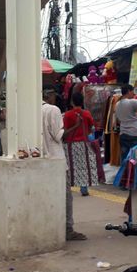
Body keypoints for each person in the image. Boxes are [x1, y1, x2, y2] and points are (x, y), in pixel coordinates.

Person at [42, 89, 87, 241]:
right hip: (56, 159)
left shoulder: (32, 110)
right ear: (48, 96)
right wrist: (77, 125)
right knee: (66, 196)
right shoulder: (52, 110)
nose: (56, 98)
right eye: (54, 95)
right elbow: (60, 135)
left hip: (40, 160)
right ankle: (68, 229)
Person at [63, 92, 97, 197]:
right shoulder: (86, 113)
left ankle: (68, 186)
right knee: (83, 166)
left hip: (70, 144)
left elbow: (65, 130)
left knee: (70, 165)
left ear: (72, 102)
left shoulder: (67, 115)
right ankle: (84, 188)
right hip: (84, 143)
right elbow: (92, 128)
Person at [115, 84, 137, 167]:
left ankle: (126, 175)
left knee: (126, 158)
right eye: (133, 91)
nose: (134, 94)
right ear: (128, 91)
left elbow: (118, 120)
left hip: (123, 135)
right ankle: (135, 174)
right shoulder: (131, 102)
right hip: (135, 134)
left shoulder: (117, 104)